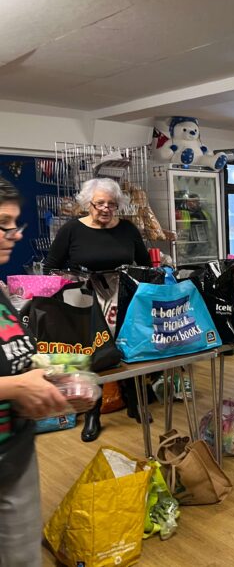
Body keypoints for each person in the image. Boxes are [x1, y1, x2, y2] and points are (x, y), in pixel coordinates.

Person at [0, 176, 75, 566]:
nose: (13, 234)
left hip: (14, 455)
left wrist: (42, 382)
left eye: (15, 223)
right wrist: (15, 387)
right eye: (2, 224)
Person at [44, 178, 151, 442]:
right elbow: (50, 267)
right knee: (93, 357)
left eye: (111, 204)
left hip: (124, 299)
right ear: (87, 203)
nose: (105, 209)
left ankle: (134, 401)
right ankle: (93, 413)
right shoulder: (71, 230)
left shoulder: (128, 229)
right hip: (86, 303)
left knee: (129, 351)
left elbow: (145, 264)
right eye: (99, 203)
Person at [177, 193, 213, 259]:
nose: (192, 203)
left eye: (194, 201)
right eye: (190, 201)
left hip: (203, 246)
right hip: (187, 247)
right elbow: (180, 232)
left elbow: (210, 230)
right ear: (186, 202)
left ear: (198, 202)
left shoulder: (204, 213)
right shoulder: (182, 213)